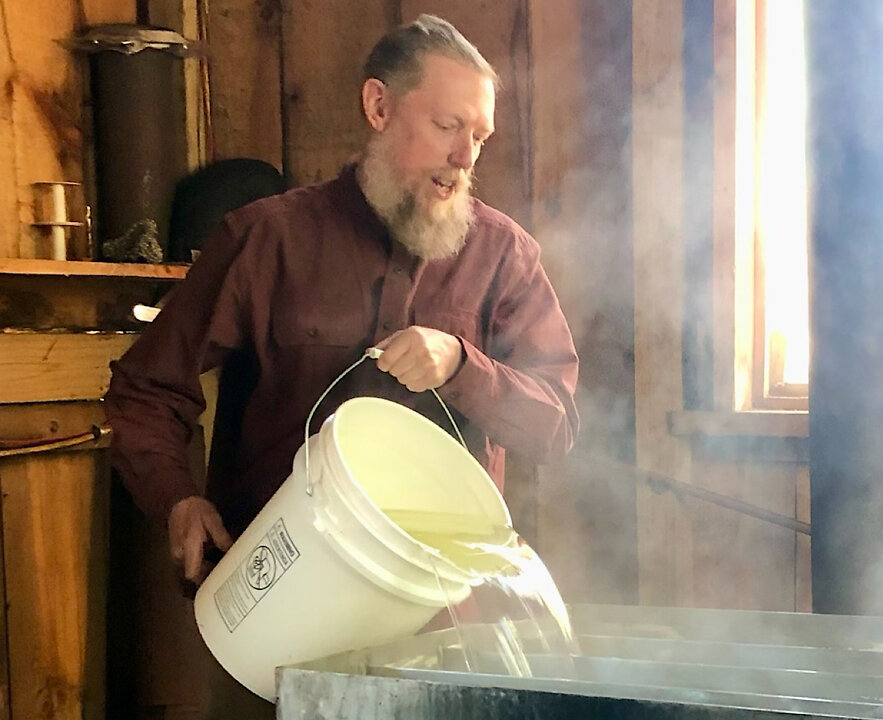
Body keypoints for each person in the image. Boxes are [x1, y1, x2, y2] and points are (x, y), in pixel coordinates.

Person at [106, 13, 579, 598]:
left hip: (438, 602)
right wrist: (177, 498)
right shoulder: (266, 239)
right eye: (446, 125)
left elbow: (554, 426)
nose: (465, 156)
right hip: (281, 594)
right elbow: (145, 388)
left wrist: (462, 365)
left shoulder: (504, 255)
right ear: (379, 107)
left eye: (480, 136)